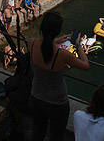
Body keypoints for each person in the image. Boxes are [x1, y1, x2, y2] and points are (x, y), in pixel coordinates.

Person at [29, 10, 89, 141]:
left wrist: (55, 41)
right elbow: (85, 65)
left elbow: (44, 45)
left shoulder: (31, 43)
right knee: (57, 136)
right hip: (57, 101)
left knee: (37, 133)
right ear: (57, 30)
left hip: (36, 96)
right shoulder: (61, 54)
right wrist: (78, 45)